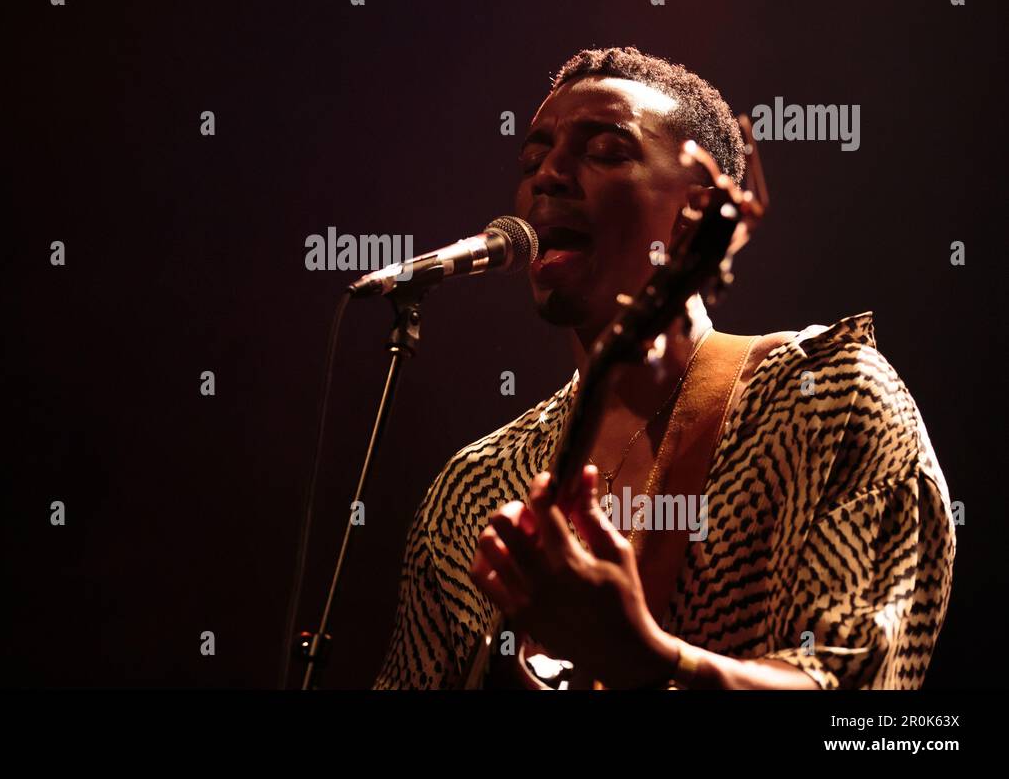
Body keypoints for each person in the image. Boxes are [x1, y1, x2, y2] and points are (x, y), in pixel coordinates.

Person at [373, 46, 955, 690]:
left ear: (697, 216)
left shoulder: (829, 400)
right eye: (533, 158)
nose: (548, 176)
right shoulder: (471, 492)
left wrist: (642, 654)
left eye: (605, 151)